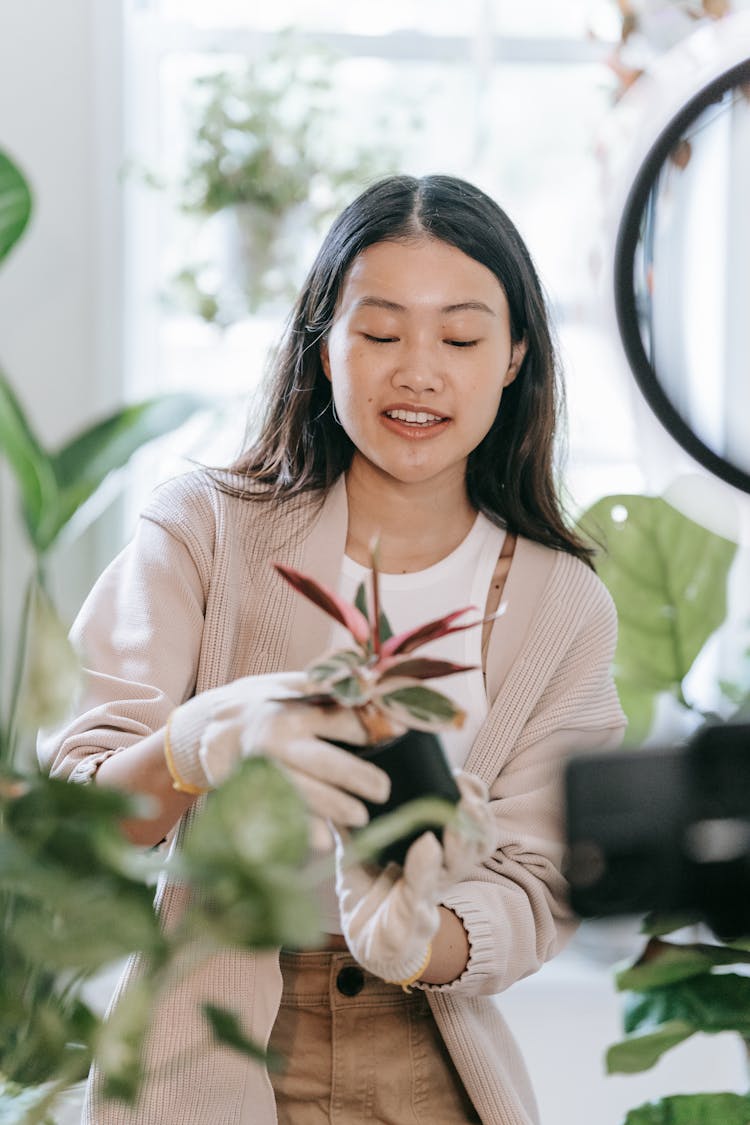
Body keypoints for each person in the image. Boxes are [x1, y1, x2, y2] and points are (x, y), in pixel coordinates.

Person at [39, 173, 626, 1125]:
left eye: (463, 337)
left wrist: (418, 938)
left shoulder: (562, 604)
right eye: (382, 333)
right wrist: (192, 746)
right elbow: (70, 829)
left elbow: (540, 878)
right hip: (212, 1046)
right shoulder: (203, 532)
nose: (420, 371)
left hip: (429, 1053)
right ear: (321, 344)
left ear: (517, 354)